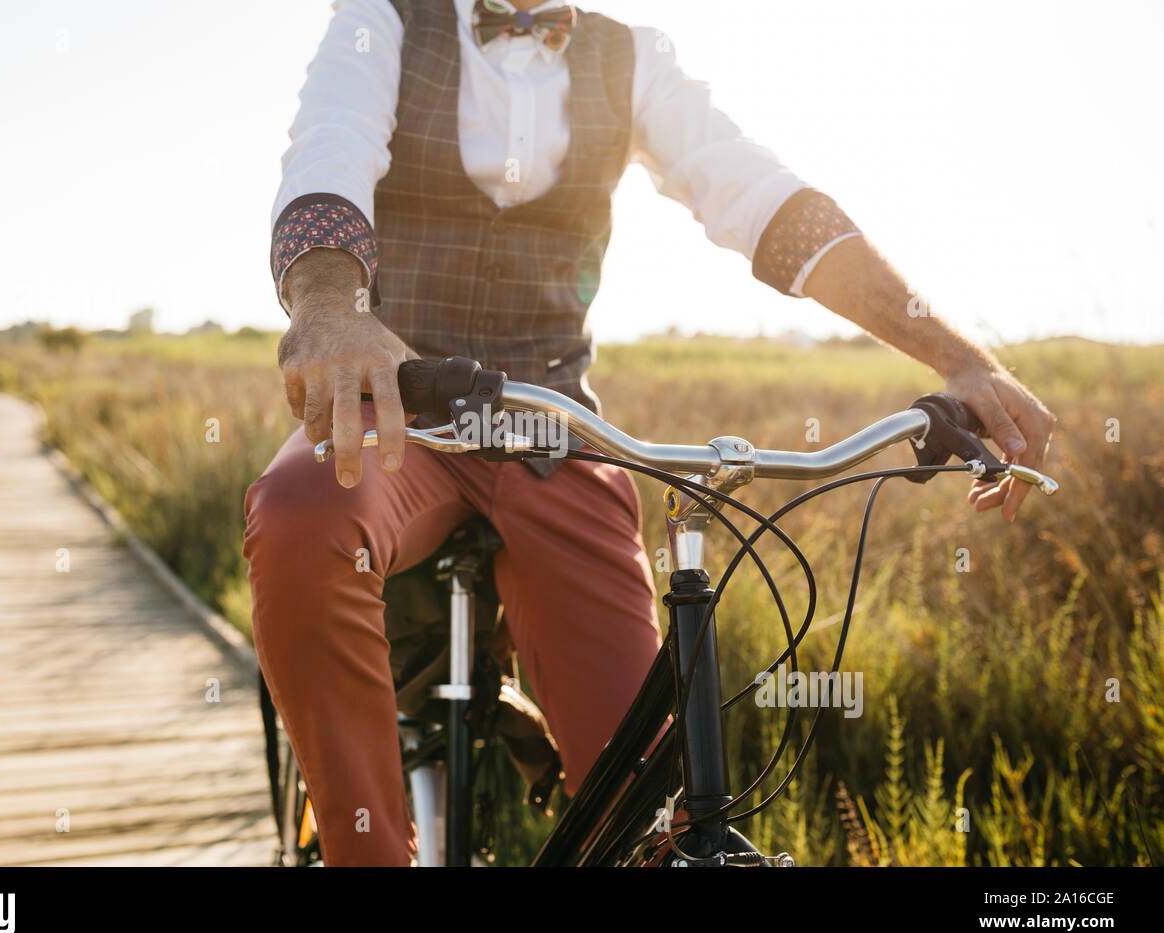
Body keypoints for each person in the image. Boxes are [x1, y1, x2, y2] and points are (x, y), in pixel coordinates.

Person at [244, 0, 1056, 866]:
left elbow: (759, 193)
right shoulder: (388, 17)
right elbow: (330, 147)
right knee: (299, 516)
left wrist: (959, 359)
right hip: (397, 411)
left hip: (552, 431)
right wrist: (332, 304)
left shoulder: (630, 58)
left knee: (646, 791)